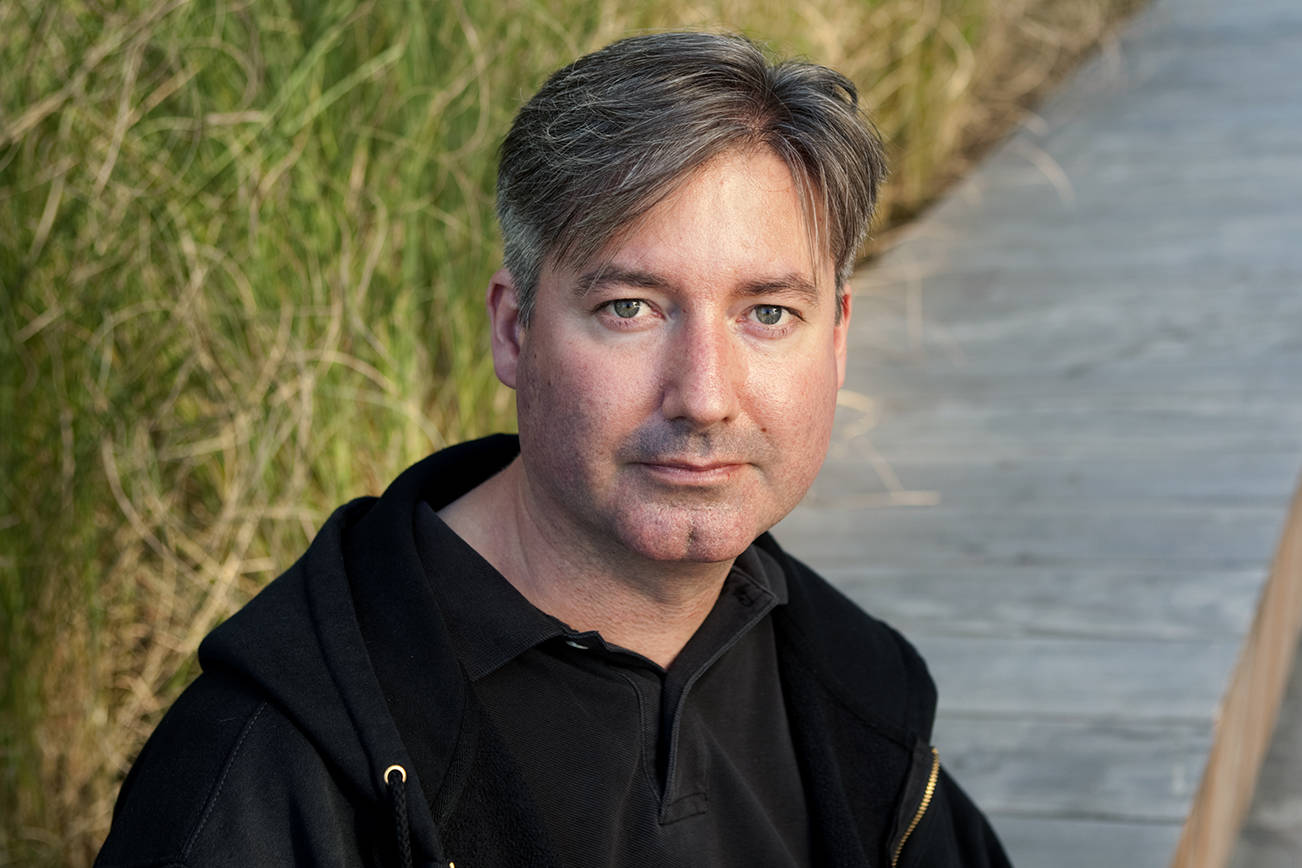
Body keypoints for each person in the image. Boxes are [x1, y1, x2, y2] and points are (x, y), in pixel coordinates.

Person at [96, 32, 1011, 868]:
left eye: (767, 313)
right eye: (630, 308)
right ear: (514, 329)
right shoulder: (274, 770)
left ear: (838, 340)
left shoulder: (853, 689)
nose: (704, 395)